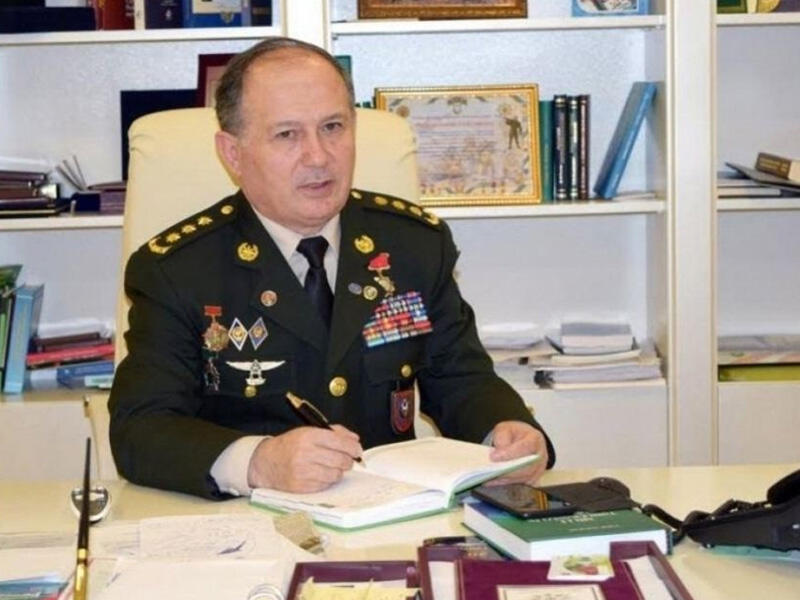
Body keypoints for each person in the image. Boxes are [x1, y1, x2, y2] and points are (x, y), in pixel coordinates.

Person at [109, 37, 555, 500]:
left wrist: (506, 430)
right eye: (287, 135)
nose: (319, 156)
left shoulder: (414, 246)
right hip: (245, 520)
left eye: (333, 127)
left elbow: (462, 379)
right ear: (233, 154)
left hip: (390, 513)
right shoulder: (177, 271)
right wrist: (258, 462)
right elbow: (139, 429)